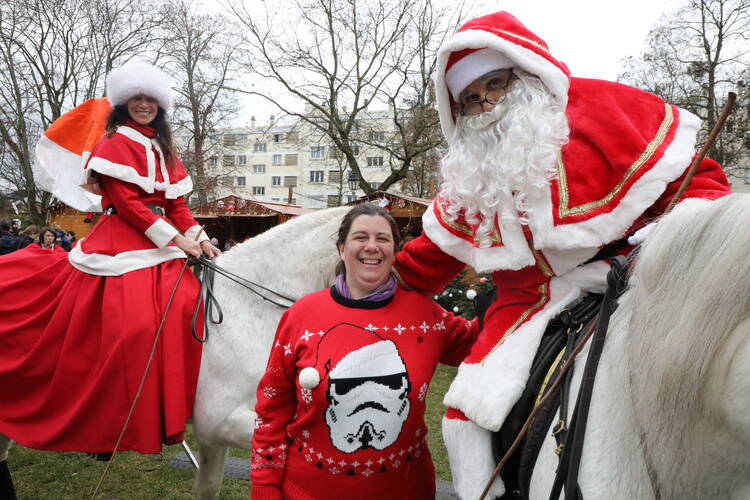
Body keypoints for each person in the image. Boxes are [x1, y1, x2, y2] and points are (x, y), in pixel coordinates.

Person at [392, 11, 732, 499]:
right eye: (470, 98)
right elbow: (427, 259)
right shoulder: (473, 174)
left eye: (495, 83)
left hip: (639, 273)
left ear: (524, 74)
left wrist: (667, 236)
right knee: (468, 408)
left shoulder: (606, 110)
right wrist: (370, 284)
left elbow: (700, 183)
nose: (486, 102)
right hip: (527, 302)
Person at [0, 61, 220, 458]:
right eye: (137, 98)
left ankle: (173, 405)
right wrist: (175, 239)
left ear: (160, 105)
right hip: (122, 238)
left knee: (189, 302)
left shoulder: (164, 147)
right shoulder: (114, 140)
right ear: (124, 103)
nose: (144, 104)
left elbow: (177, 204)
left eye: (150, 99)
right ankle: (112, 414)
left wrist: (199, 239)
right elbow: (127, 203)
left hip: (160, 239)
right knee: (135, 325)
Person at [250, 204, 479, 500]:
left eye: (382, 239)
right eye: (361, 237)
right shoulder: (301, 316)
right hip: (306, 491)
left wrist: (517, 285)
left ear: (395, 251)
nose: (372, 246)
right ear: (341, 248)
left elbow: (486, 340)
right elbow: (272, 408)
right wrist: (265, 483)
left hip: (407, 492)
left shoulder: (427, 317)